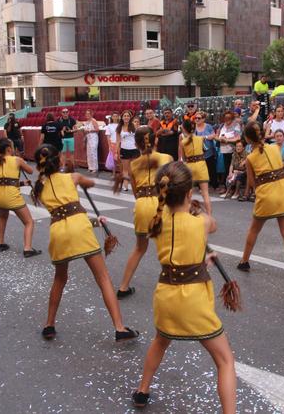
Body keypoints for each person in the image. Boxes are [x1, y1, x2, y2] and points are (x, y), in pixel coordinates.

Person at [132, 162, 236, 412]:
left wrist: (202, 260)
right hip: (192, 301)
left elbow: (179, 249)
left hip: (166, 296)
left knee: (161, 340)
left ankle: (142, 390)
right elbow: (212, 224)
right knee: (225, 361)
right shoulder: (199, 222)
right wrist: (194, 209)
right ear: (189, 193)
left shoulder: (157, 219)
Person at [32, 144, 139, 342]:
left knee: (59, 279)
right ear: (59, 159)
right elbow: (89, 183)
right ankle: (119, 327)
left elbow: (64, 212)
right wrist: (74, 174)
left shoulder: (39, 187)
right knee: (103, 278)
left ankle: (49, 324)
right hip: (80, 229)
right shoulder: (72, 177)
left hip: (58, 232)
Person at [237, 121, 284, 280]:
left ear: (247, 139)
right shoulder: (275, 147)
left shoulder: (250, 158)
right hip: (282, 191)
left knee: (254, 230)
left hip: (266, 195)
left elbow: (252, 183)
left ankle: (244, 261)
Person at [116, 127, 173, 299]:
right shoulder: (166, 158)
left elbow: (135, 192)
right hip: (160, 203)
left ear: (136, 144)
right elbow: (173, 183)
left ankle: (123, 287)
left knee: (140, 248)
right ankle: (172, 287)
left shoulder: (133, 164)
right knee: (168, 247)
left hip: (141, 204)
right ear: (155, 140)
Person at [0, 138, 40, 257]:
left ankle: (1, 242)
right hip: (12, 195)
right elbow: (30, 171)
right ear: (9, 149)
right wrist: (22, 161)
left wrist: (22, 183)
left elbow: (5, 180)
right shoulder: (17, 160)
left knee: (3, 217)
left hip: (0, 194)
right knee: (29, 222)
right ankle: (27, 248)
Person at [179, 119, 212, 215]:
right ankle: (209, 215)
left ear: (184, 129)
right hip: (201, 165)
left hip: (190, 167)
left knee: (189, 193)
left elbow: (184, 157)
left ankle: (187, 213)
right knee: (205, 193)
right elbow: (205, 150)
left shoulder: (183, 142)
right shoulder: (200, 139)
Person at [217, 111, 242, 192]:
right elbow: (216, 136)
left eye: (229, 118)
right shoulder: (221, 126)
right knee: (225, 169)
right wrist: (220, 139)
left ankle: (233, 188)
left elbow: (238, 138)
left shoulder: (236, 126)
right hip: (223, 151)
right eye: (225, 118)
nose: (227, 119)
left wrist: (227, 140)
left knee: (232, 169)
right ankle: (226, 187)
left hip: (233, 150)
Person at [193, 110, 218, 191]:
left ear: (203, 119)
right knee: (200, 171)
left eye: (199, 118)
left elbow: (213, 135)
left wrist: (205, 137)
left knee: (211, 169)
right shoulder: (193, 127)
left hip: (209, 152)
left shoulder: (208, 126)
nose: (197, 119)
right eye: (195, 118)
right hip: (198, 153)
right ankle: (201, 187)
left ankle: (214, 185)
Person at [116, 109, 139, 191]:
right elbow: (118, 141)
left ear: (130, 117)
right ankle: (125, 186)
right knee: (125, 169)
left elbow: (137, 137)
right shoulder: (119, 127)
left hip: (134, 150)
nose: (126, 117)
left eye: (128, 116)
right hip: (124, 150)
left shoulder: (134, 126)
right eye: (124, 116)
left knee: (134, 169)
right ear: (122, 117)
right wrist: (116, 152)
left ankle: (136, 184)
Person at [82, 109, 100, 175]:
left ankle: (95, 168)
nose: (87, 115)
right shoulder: (87, 122)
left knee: (93, 152)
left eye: (88, 114)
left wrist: (90, 131)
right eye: (86, 114)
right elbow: (85, 130)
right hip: (88, 138)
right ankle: (90, 167)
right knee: (89, 153)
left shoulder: (93, 120)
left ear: (91, 114)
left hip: (93, 137)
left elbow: (97, 129)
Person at [105, 112, 120, 179]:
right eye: (114, 116)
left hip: (120, 144)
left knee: (120, 159)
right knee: (113, 160)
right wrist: (109, 146)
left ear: (118, 117)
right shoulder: (109, 126)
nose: (115, 117)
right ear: (112, 117)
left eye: (116, 116)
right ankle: (113, 173)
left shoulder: (120, 125)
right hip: (113, 143)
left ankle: (121, 173)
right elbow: (108, 136)